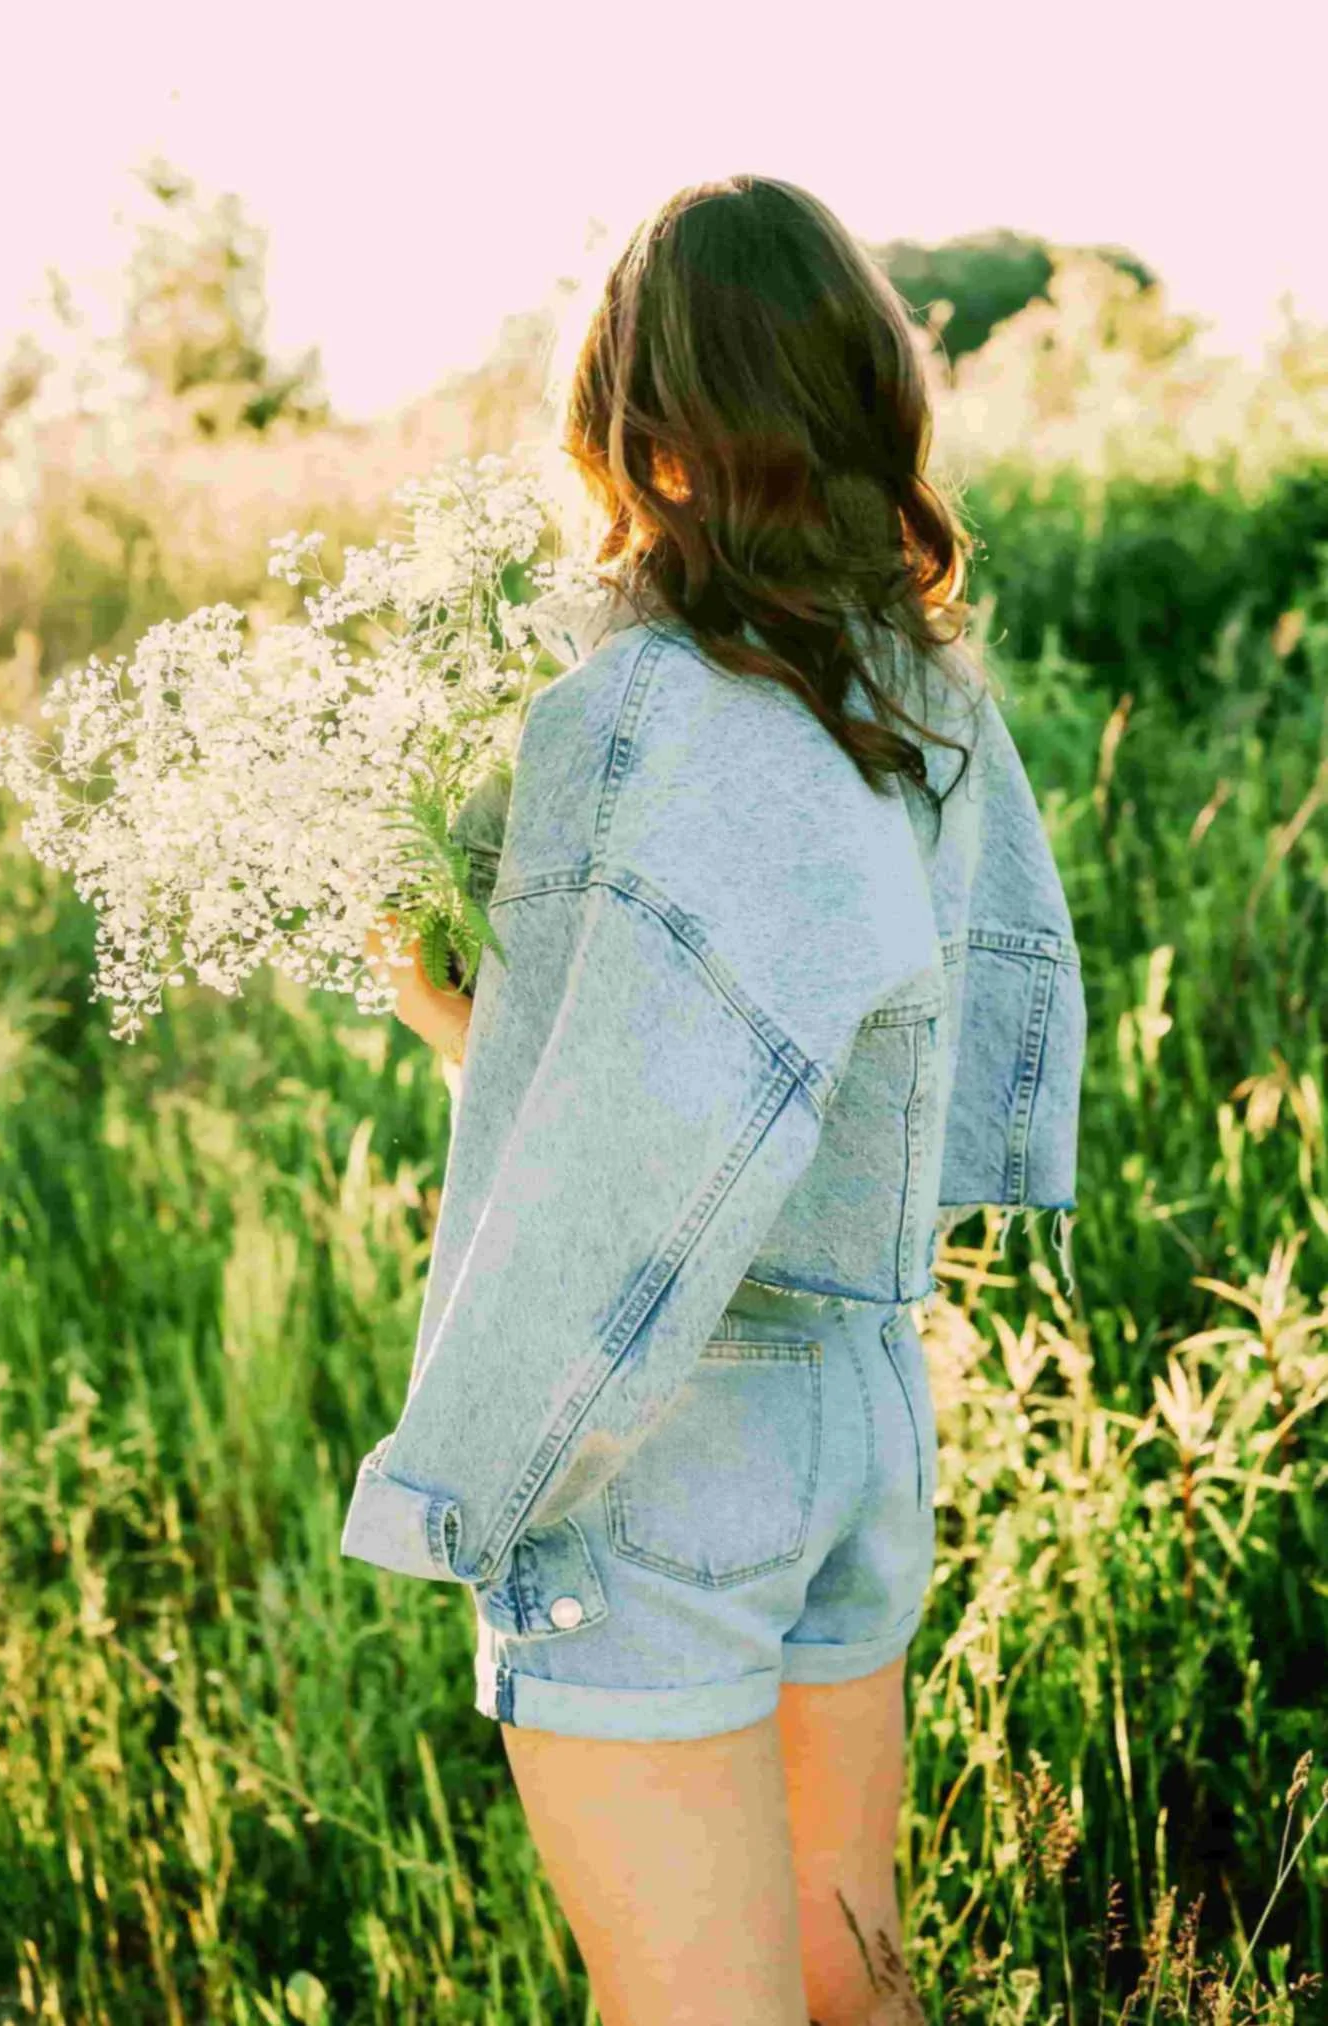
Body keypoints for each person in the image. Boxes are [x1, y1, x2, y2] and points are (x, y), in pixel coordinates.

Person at [349, 175, 1085, 2026]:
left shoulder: (633, 710)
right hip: (860, 1391)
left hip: (674, 1419)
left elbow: (628, 1142)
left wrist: (475, 1476)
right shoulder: (920, 691)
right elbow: (808, 1067)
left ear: (640, 431)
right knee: (854, 1989)